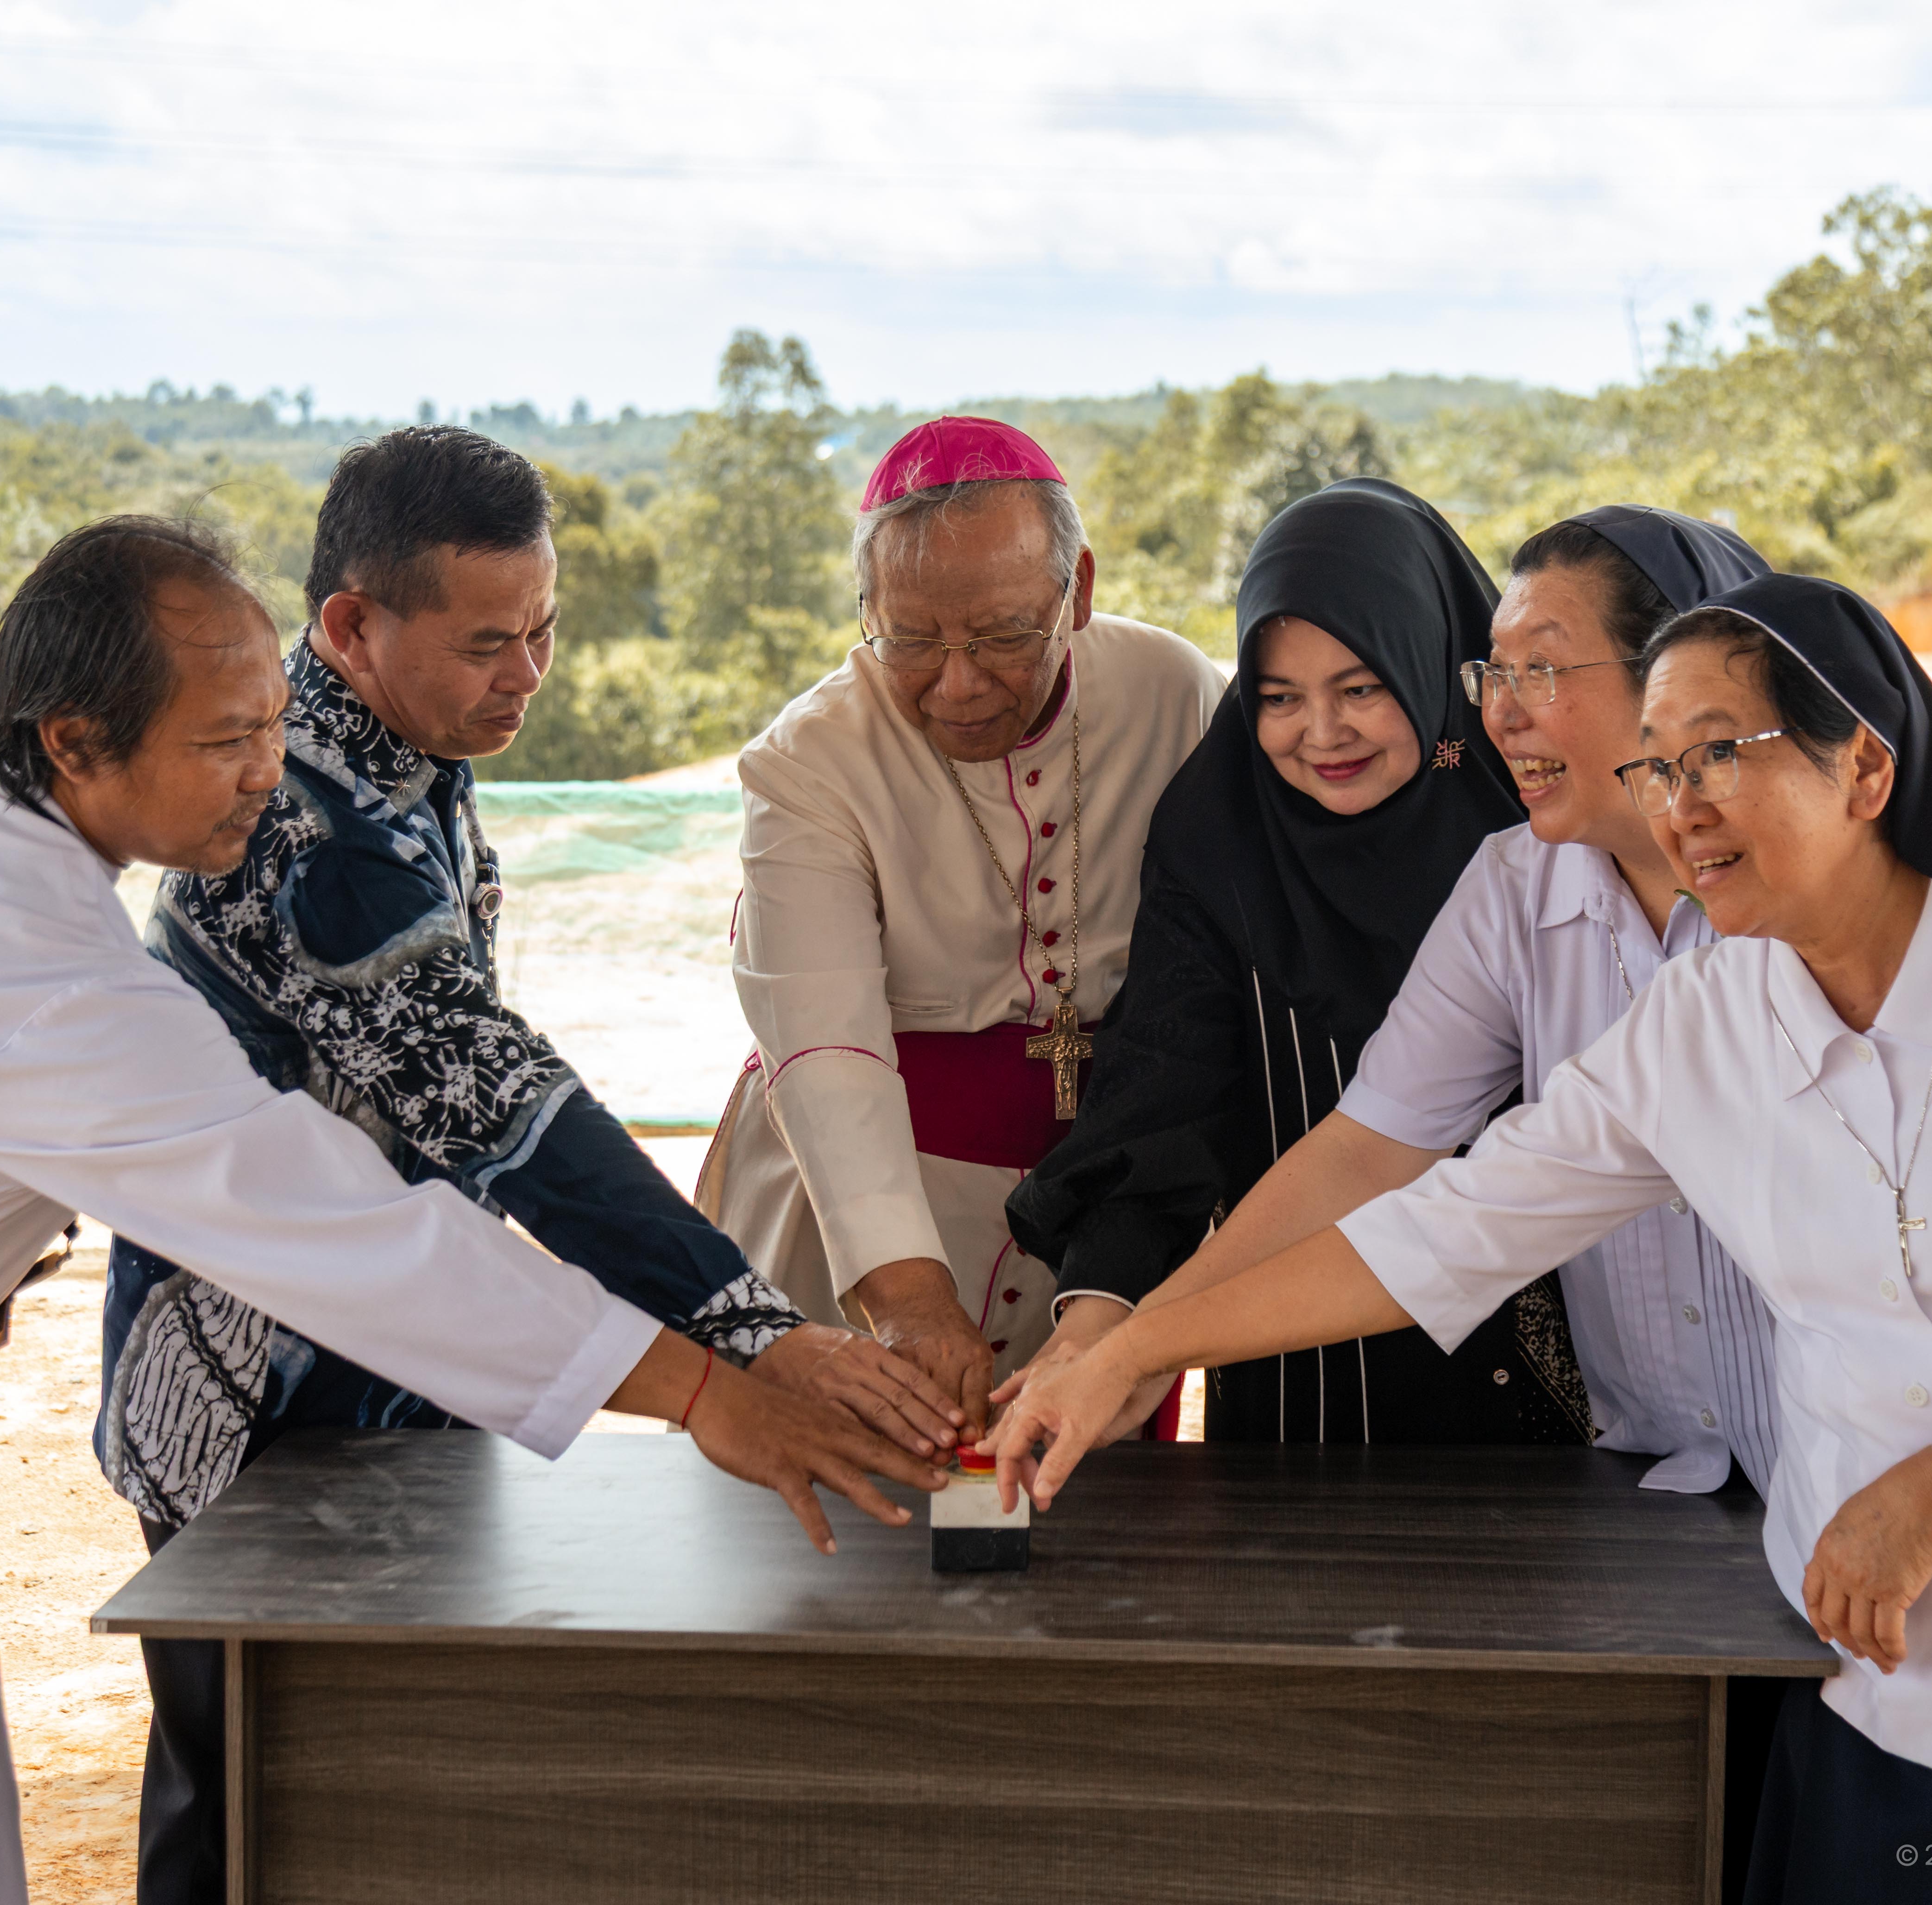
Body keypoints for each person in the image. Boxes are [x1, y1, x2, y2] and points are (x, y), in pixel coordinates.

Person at [0, 517, 938, 1905]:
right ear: (72, 738)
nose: (270, 771)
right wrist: (708, 1392)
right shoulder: (55, 995)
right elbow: (354, 1236)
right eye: (227, 741)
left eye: (273, 723)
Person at [992, 573, 1932, 1900]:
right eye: (1653, 769)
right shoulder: (1701, 1027)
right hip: (1888, 1687)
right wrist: (1137, 1346)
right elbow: (1445, 1230)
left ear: (1866, 769)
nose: (1678, 809)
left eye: (1718, 757)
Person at [101, 432, 960, 1903]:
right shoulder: (306, 819)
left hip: (409, 1349)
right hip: (264, 1396)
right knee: (257, 1787)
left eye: (546, 630)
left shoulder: (396, 748)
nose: (529, 674)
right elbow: (506, 1111)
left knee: (383, 1778)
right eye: (488, 643)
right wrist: (753, 1335)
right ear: (351, 628)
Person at [1004, 478, 1589, 1445]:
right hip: (1303, 1370)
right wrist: (1101, 1332)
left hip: (1571, 1362)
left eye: (1362, 687)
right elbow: (1162, 1101)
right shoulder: (1217, 838)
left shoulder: (1542, 828)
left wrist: (1139, 1346)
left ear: (1439, 665)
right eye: (1279, 698)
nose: (1324, 734)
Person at [696, 416, 1225, 1432]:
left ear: (1079, 590)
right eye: (910, 640)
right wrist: (909, 1299)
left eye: (1001, 637)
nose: (957, 681)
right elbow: (824, 1039)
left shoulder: (1178, 695)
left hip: (1100, 1196)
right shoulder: (809, 762)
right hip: (861, 1195)